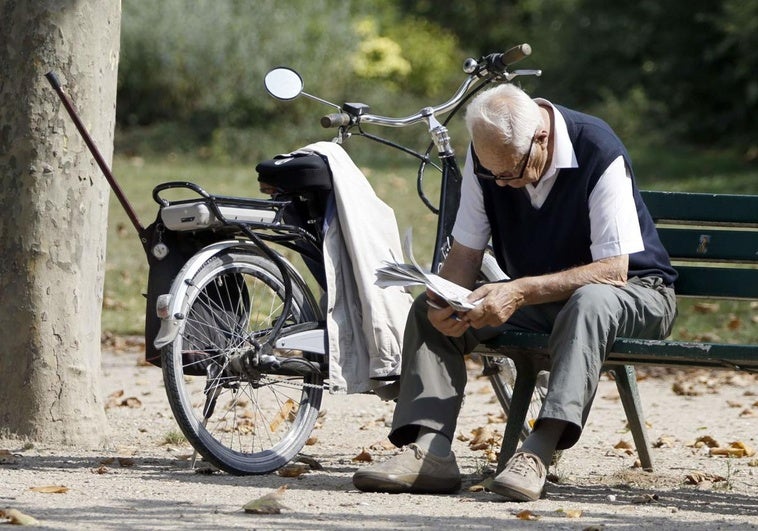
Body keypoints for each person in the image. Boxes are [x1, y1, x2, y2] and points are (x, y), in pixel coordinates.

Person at [352, 83, 678, 501]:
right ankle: (429, 450)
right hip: (548, 299)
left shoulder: (597, 148)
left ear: (540, 138)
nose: (502, 184)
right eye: (494, 174)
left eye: (511, 172)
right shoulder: (488, 157)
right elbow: (467, 253)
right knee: (426, 312)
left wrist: (519, 291)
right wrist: (443, 299)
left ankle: (538, 453)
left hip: (637, 293)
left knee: (590, 300)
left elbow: (613, 272)